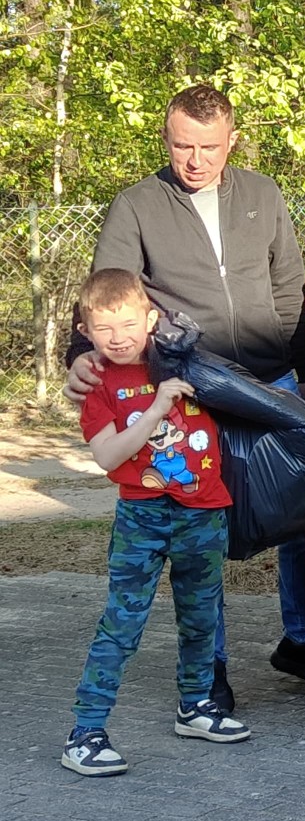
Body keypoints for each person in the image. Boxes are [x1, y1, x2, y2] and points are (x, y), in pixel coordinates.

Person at [64, 83, 305, 708]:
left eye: (209, 148)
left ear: (231, 140)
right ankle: (208, 668)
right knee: (201, 524)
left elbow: (287, 284)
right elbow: (104, 293)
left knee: (299, 511)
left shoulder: (263, 194)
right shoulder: (137, 205)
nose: (195, 160)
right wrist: (83, 360)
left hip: (268, 382)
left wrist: (297, 376)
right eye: (182, 145)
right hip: (190, 386)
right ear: (166, 139)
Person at [62, 269, 250, 776]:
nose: (118, 338)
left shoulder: (180, 358)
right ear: (86, 330)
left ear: (150, 318)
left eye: (128, 324)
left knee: (201, 618)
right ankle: (86, 732)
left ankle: (196, 707)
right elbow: (108, 455)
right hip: (141, 514)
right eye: (105, 329)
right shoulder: (98, 383)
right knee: (122, 624)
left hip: (204, 510)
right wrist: (156, 408)